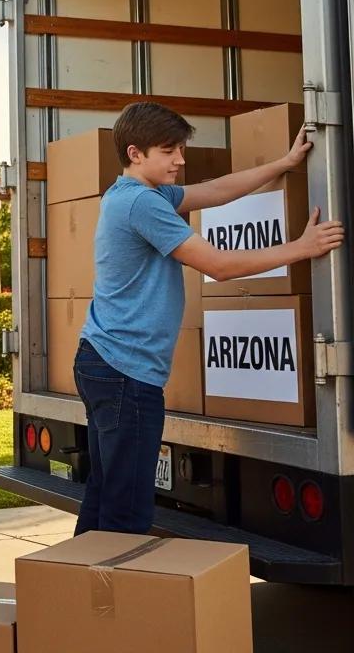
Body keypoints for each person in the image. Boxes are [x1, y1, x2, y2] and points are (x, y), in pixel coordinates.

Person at [74, 101, 344, 536]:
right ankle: (111, 582)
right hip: (125, 372)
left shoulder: (132, 194)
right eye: (169, 151)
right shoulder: (142, 204)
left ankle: (79, 578)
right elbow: (218, 266)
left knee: (106, 492)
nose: (180, 160)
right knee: (127, 511)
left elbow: (217, 190)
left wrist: (284, 162)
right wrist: (302, 247)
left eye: (180, 149)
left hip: (103, 362)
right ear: (135, 153)